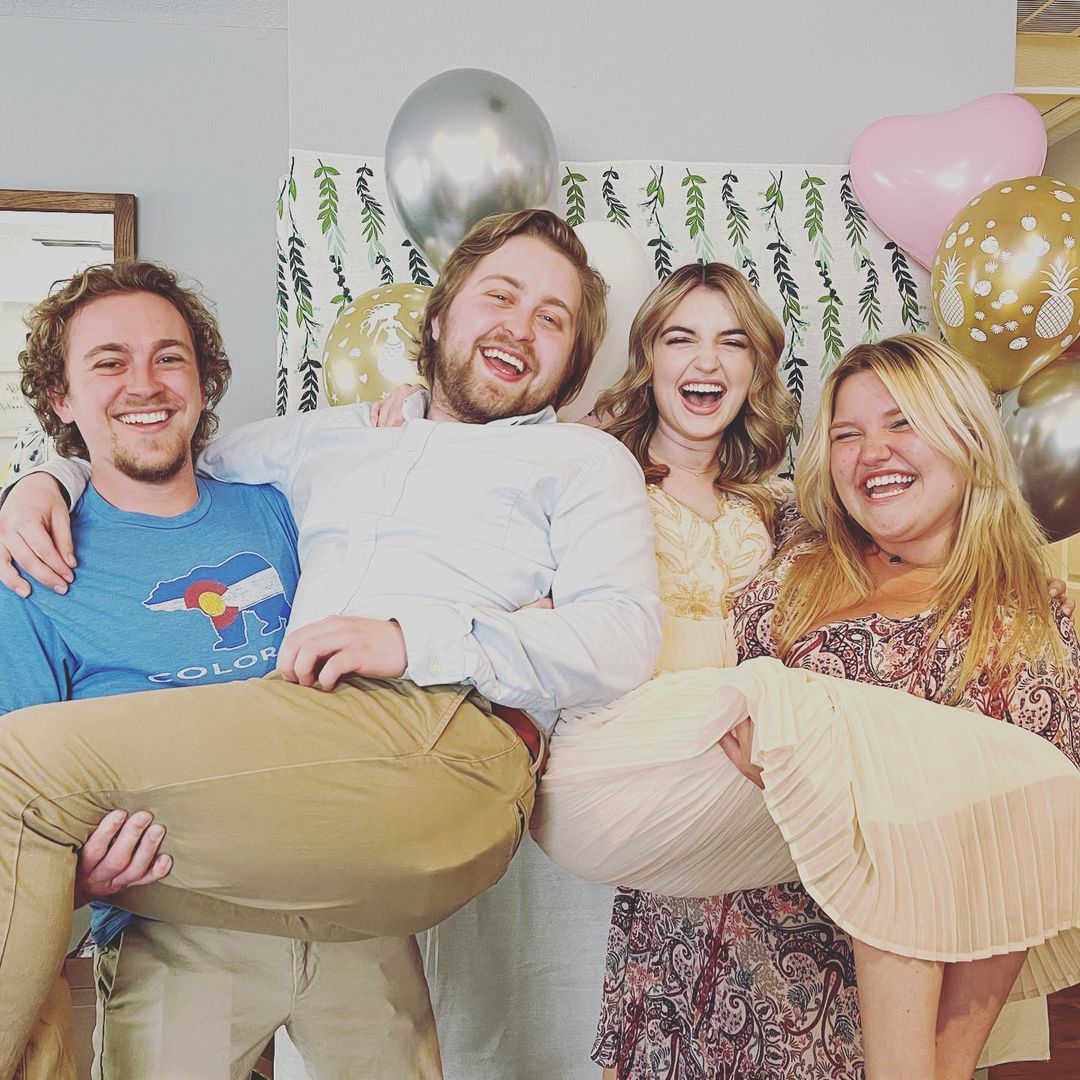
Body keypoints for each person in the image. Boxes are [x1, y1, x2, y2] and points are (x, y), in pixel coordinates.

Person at [0, 208, 666, 1079]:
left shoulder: (581, 462)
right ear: (439, 316)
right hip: (270, 838)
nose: (520, 327)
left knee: (18, 770)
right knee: (32, 799)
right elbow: (152, 445)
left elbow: (624, 639)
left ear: (574, 362)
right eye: (500, 296)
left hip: (429, 745)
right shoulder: (321, 444)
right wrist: (44, 477)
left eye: (554, 318)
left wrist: (412, 638)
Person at [551, 333, 1080, 1079]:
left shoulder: (1022, 626)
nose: (872, 453)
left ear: (967, 436)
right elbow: (682, 483)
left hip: (824, 1027)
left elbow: (1015, 871)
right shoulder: (798, 550)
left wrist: (947, 1062)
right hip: (675, 968)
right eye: (846, 435)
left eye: (902, 423)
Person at [1, 260, 448, 1080]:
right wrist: (78, 879)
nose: (145, 383)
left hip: (349, 909)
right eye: (109, 362)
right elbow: (20, 809)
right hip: (172, 928)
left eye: (169, 357)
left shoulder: (286, 509)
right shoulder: (33, 569)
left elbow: (429, 494)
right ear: (59, 398)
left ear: (203, 382)